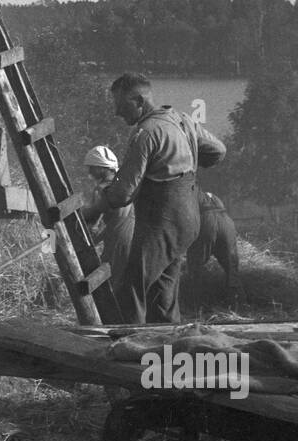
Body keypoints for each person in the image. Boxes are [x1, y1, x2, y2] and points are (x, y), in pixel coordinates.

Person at [106, 73, 227, 325]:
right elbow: (218, 150)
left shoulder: (145, 133)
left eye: (120, 104)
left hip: (163, 221)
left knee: (131, 289)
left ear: (139, 100)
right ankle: (167, 347)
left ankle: (128, 348)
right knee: (162, 293)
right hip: (189, 220)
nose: (117, 112)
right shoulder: (181, 120)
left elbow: (123, 194)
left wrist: (97, 203)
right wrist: (190, 160)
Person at [79, 144, 135, 287]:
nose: (90, 172)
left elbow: (93, 222)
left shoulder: (102, 189)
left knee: (109, 285)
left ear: (101, 167)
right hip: (135, 239)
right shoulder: (125, 185)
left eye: (92, 167)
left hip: (117, 242)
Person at [186, 190, 241, 302]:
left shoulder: (192, 192)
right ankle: (237, 302)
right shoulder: (213, 195)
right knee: (232, 265)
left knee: (195, 264)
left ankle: (196, 302)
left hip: (207, 220)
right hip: (226, 221)